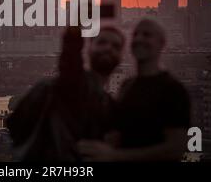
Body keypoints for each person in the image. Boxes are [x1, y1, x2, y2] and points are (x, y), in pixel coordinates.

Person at [7, 25, 125, 161]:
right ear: (89, 48)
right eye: (102, 42)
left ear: (122, 57)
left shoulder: (109, 106)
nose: (108, 48)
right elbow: (70, 65)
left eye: (115, 46)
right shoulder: (64, 86)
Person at [78, 19, 191, 161]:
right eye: (135, 34)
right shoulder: (127, 85)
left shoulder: (173, 89)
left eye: (147, 34)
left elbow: (177, 148)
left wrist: (115, 156)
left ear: (161, 44)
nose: (139, 38)